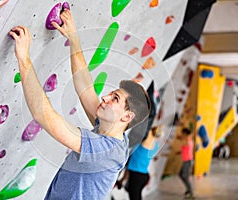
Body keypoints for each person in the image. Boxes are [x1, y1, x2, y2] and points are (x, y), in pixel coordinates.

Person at [9, 9, 151, 200]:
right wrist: (73, 38)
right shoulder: (112, 131)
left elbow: (44, 115)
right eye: (111, 94)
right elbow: (84, 86)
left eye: (115, 98)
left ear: (127, 116)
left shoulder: (105, 150)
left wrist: (24, 58)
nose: (105, 98)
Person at [115, 126, 161, 200]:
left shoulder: (145, 144)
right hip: (142, 175)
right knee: (136, 196)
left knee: (134, 197)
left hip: (137, 176)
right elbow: (130, 163)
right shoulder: (155, 145)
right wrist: (122, 179)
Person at [178, 128, 194, 199]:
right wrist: (179, 152)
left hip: (188, 161)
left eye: (182, 133)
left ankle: (191, 193)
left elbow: (183, 143)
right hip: (186, 160)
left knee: (186, 177)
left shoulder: (187, 140)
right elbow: (185, 148)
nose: (182, 134)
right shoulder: (188, 139)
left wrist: (168, 142)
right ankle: (188, 189)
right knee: (180, 174)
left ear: (185, 134)